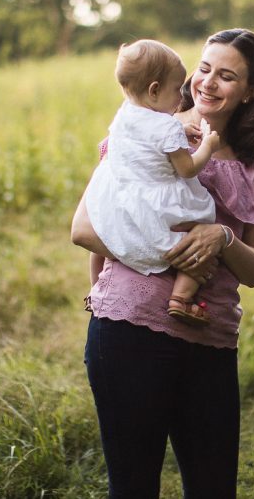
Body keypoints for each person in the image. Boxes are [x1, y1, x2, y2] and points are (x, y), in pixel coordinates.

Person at [71, 28, 254, 498]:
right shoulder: (145, 133)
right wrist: (145, 260)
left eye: (226, 76)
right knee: (133, 488)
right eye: (204, 69)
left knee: (213, 489)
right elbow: (87, 228)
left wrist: (222, 237)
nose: (207, 82)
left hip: (211, 341)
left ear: (253, 91)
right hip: (130, 331)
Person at [81, 38, 223, 326]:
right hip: (158, 204)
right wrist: (208, 145)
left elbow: (145, 139)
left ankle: (97, 290)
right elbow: (186, 169)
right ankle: (181, 299)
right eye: (176, 90)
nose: (181, 98)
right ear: (155, 90)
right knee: (198, 237)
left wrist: (179, 132)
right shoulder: (167, 126)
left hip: (123, 198)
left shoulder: (124, 115)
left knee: (107, 228)